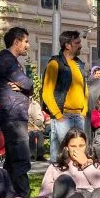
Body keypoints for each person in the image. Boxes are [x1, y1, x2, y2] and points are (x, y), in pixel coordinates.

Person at [0, 27, 36, 198]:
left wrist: (25, 88)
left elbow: (27, 87)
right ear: (16, 42)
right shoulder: (8, 62)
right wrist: (26, 87)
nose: (27, 46)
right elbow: (29, 83)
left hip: (13, 116)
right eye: (26, 41)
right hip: (14, 117)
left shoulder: (8, 60)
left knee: (12, 160)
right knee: (21, 159)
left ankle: (8, 195)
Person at [41, 31, 89, 165]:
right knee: (61, 156)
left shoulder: (79, 64)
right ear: (67, 45)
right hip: (64, 116)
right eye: (77, 43)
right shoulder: (55, 64)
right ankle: (58, 181)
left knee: (78, 155)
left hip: (79, 116)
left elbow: (84, 89)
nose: (80, 46)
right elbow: (47, 92)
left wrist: (83, 112)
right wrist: (58, 116)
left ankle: (76, 183)